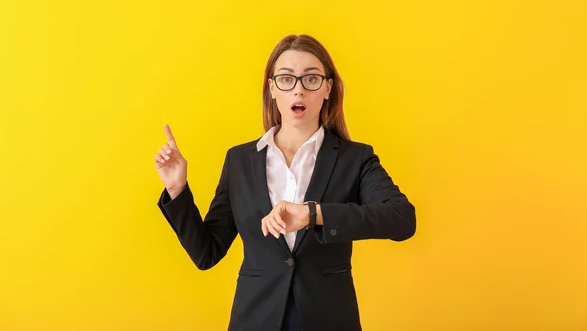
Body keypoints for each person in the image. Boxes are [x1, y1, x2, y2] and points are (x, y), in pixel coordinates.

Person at [154, 34, 416, 331]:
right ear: (272, 88)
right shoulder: (240, 161)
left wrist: (312, 214)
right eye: (287, 79)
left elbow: (402, 219)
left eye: (312, 79)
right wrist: (177, 190)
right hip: (255, 320)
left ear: (328, 88)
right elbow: (207, 253)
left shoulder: (355, 159)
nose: (299, 90)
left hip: (329, 320)